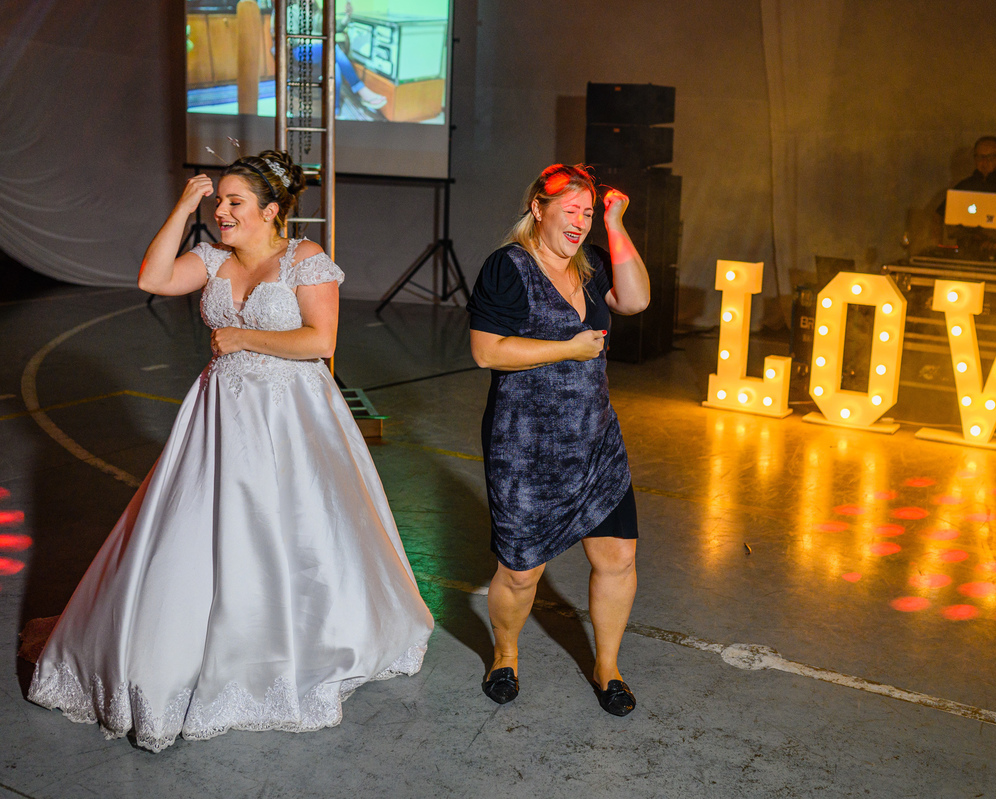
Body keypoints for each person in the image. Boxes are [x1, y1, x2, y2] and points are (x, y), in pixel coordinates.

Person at [26, 151, 434, 751]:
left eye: (233, 202)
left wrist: (243, 336)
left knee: (290, 530)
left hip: (292, 418)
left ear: (271, 211)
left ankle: (287, 641)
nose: (222, 212)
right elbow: (153, 279)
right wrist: (184, 207)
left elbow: (320, 341)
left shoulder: (305, 260)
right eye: (217, 202)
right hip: (220, 416)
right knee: (194, 525)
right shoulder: (212, 259)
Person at [467, 164, 650, 716]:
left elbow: (636, 300)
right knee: (521, 572)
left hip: (594, 442)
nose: (579, 219)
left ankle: (607, 666)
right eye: (569, 208)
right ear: (538, 208)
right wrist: (567, 348)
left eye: (588, 211)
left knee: (618, 558)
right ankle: (505, 653)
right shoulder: (509, 267)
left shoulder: (589, 268)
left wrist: (615, 225)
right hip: (525, 448)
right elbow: (487, 351)